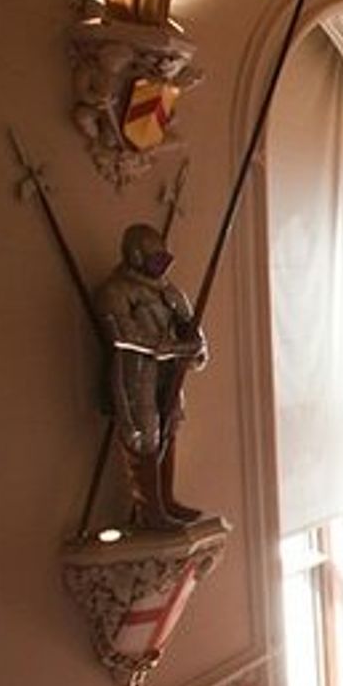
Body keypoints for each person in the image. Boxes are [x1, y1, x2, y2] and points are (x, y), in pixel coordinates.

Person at [95, 223, 209, 529]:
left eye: (163, 260)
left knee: (170, 425)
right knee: (144, 434)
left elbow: (192, 330)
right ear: (135, 256)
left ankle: (166, 499)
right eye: (154, 259)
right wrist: (175, 348)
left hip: (170, 371)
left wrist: (194, 348)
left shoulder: (170, 292)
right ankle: (150, 509)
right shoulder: (115, 290)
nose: (160, 267)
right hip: (137, 372)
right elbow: (124, 336)